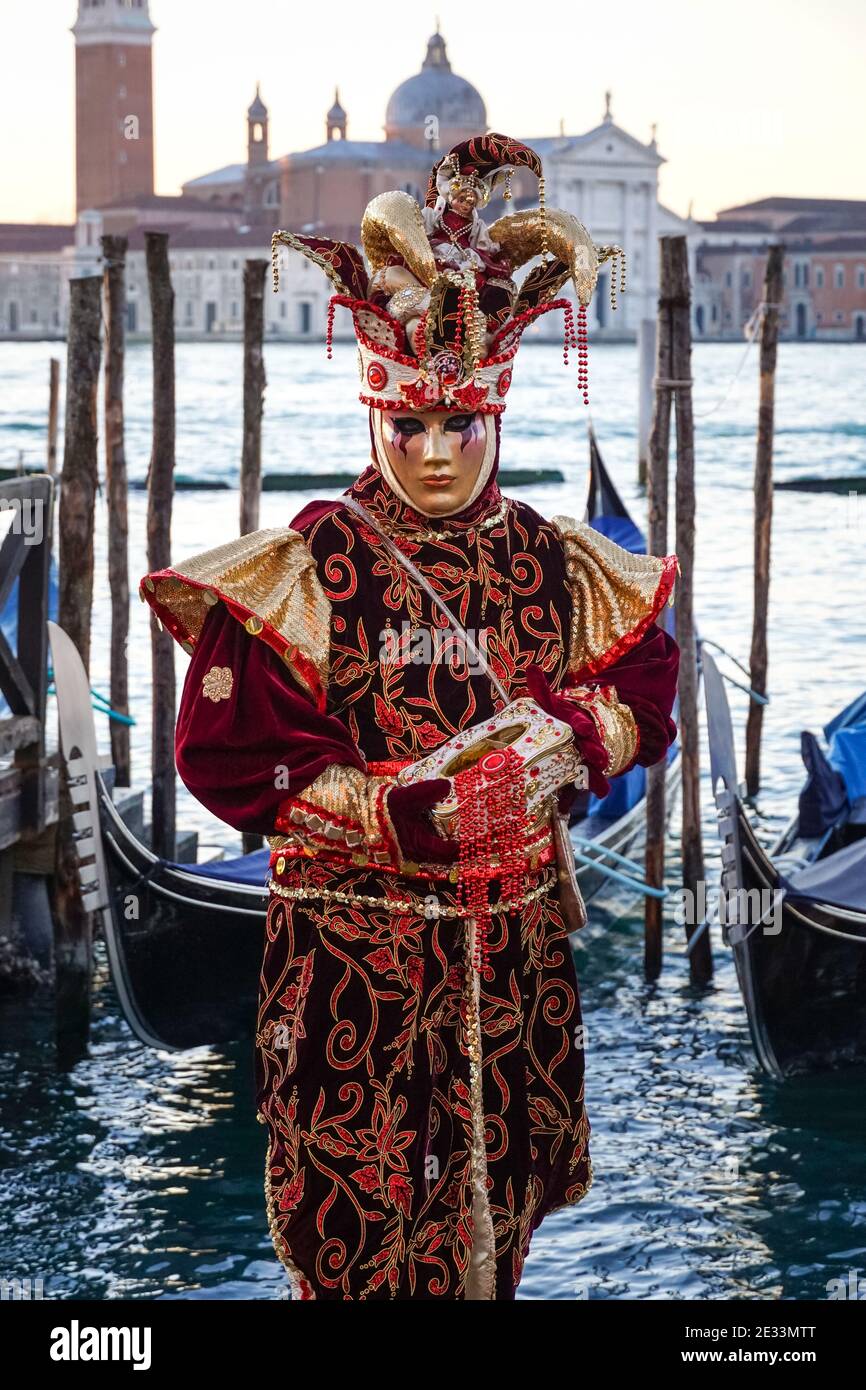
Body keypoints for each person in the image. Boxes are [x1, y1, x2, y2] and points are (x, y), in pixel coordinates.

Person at [140, 133, 680, 1300]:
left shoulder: (549, 558)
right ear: (374, 416)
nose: (434, 455)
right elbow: (226, 755)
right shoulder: (319, 562)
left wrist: (568, 741)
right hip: (354, 975)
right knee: (362, 1248)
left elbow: (646, 682)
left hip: (514, 960)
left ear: (495, 416)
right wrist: (398, 812)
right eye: (408, 429)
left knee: (496, 1233)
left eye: (460, 427)